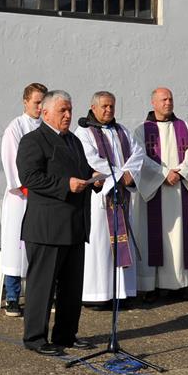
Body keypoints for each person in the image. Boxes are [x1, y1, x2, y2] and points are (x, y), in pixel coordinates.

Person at [17, 90, 102, 356]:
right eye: (62, 111)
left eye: (70, 110)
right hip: (47, 227)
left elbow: (83, 171)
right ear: (45, 112)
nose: (68, 115)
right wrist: (65, 185)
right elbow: (30, 177)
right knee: (42, 287)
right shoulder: (33, 141)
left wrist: (94, 178)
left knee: (71, 287)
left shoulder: (74, 141)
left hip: (74, 225)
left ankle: (66, 334)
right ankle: (35, 338)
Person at [131, 87, 188, 302]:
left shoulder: (185, 128)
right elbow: (139, 159)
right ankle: (151, 286)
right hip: (154, 193)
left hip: (180, 191)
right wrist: (163, 174)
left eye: (171, 99)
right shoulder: (142, 131)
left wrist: (179, 173)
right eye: (163, 99)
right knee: (153, 237)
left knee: (181, 238)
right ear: (153, 103)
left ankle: (180, 285)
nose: (168, 103)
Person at [74, 91, 145, 307]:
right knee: (99, 245)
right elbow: (90, 159)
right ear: (93, 107)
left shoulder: (122, 130)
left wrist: (128, 174)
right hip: (99, 199)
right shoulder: (84, 132)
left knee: (120, 242)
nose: (108, 110)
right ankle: (96, 294)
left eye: (112, 106)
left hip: (121, 197)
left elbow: (138, 153)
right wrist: (118, 175)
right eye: (104, 106)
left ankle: (121, 293)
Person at [0, 82, 47, 317]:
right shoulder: (15, 128)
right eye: (36, 102)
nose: (40, 107)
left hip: (45, 197)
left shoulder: (50, 127)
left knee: (42, 247)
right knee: (16, 249)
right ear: (25, 101)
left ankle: (41, 297)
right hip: (22, 196)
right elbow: (12, 161)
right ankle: (12, 297)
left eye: (43, 102)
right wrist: (27, 188)